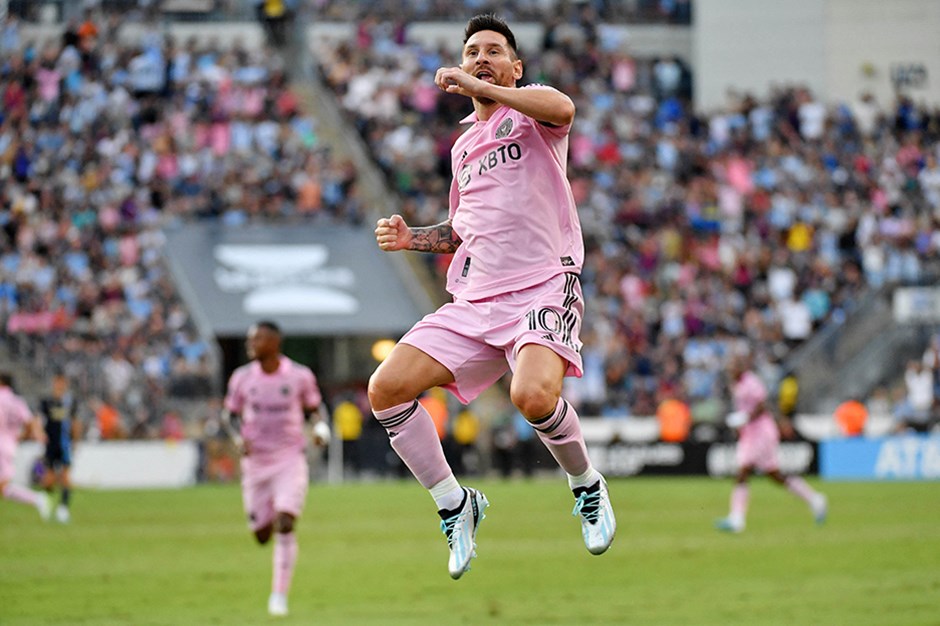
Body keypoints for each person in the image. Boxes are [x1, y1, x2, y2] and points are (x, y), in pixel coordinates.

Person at [369, 14, 615, 580]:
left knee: (531, 395)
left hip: (543, 284)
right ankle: (455, 504)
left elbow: (564, 108)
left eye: (494, 51)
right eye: (472, 51)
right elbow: (462, 229)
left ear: (516, 67)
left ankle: (586, 484)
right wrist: (412, 239)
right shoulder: (463, 148)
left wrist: (482, 89)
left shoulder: (533, 115)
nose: (481, 57)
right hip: (477, 298)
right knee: (385, 390)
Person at [222, 321, 330, 617]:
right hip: (256, 463)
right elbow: (229, 415)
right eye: (250, 339)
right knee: (261, 535)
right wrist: (237, 438)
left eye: (256, 339)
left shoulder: (299, 376)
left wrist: (320, 428)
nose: (250, 344)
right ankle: (265, 517)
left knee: (285, 523)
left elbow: (314, 409)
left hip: (289, 459)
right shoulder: (242, 378)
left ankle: (278, 596)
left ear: (274, 343)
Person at [716, 355, 828, 533]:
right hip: (750, 433)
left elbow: (762, 405)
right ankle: (815, 499)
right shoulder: (736, 384)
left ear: (741, 368)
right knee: (774, 475)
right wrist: (740, 424)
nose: (730, 371)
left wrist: (744, 418)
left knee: (743, 471)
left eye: (733, 367)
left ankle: (737, 519)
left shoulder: (751, 383)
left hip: (761, 433)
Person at [0, 372, 51, 520]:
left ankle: (37, 499)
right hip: (9, 445)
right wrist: (23, 436)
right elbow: (30, 422)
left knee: (3, 487)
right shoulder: (18, 401)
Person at [38, 372, 80, 524]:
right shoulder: (46, 402)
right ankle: (45, 504)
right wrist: (40, 434)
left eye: (63, 382)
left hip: (65, 444)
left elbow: (75, 422)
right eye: (58, 382)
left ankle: (63, 509)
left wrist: (76, 441)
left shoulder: (70, 402)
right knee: (48, 480)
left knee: (66, 477)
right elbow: (39, 420)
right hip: (50, 444)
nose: (60, 385)